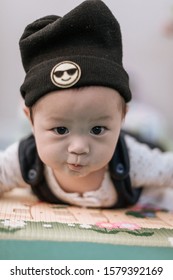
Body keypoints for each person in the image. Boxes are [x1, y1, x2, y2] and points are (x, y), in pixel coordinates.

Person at [1, 0, 173, 210]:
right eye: (61, 129)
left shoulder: (133, 160)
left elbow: (168, 170)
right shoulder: (25, 159)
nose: (79, 147)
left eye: (98, 129)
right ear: (30, 119)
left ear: (122, 117)